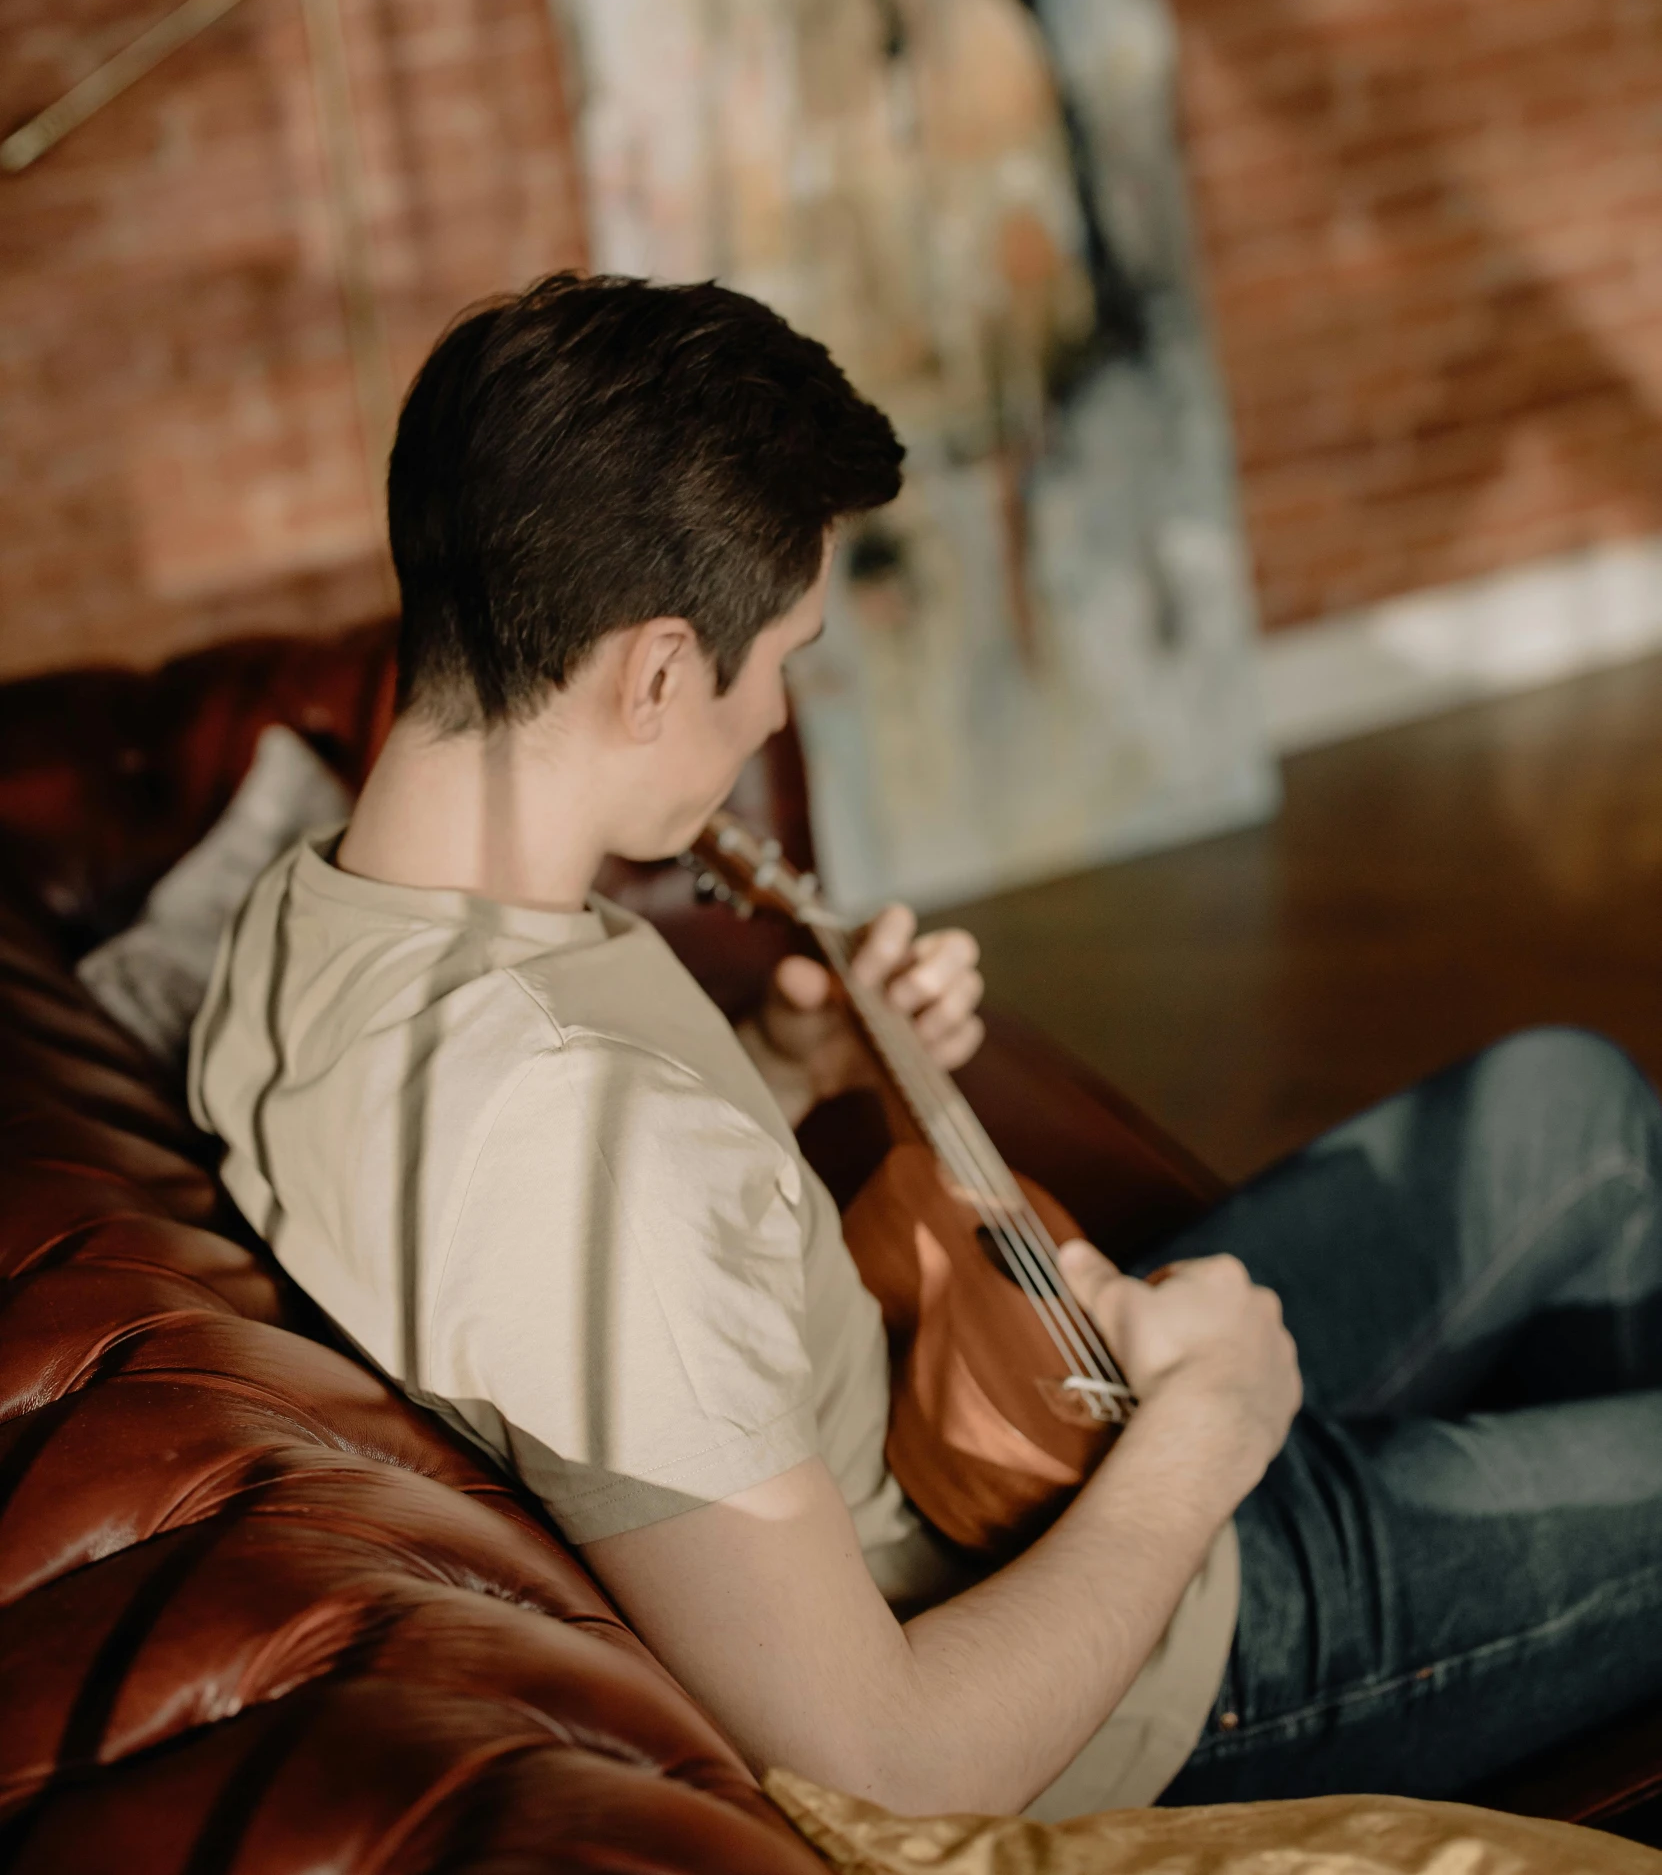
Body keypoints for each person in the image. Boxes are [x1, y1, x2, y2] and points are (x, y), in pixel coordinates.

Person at [190, 272, 1662, 1821]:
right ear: (660, 672)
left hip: (1020, 1451)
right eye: (780, 660)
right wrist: (1206, 1433)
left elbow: (566, 1256)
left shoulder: (316, 919)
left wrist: (783, 1067)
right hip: (1128, 1667)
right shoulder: (584, 1152)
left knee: (1559, 1100)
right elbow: (887, 1764)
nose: (773, 714)